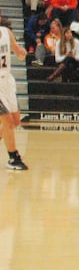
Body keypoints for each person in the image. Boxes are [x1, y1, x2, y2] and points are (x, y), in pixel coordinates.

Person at [0, 17, 31, 170]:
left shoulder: (6, 32)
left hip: (7, 81)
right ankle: (13, 157)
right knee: (7, 121)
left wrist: (22, 53)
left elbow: (18, 52)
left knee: (15, 121)